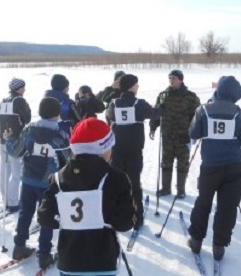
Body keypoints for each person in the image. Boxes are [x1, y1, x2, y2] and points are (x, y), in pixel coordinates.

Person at [37, 118, 136, 276]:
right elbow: (125, 223)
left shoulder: (58, 178)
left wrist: (64, 218)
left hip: (68, 261)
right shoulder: (116, 178)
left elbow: (44, 217)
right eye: (110, 146)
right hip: (103, 262)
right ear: (103, 148)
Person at [5, 98, 72, 269]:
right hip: (48, 183)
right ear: (57, 115)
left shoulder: (29, 131)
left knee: (25, 212)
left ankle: (19, 245)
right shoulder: (60, 136)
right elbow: (69, 159)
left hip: (27, 179)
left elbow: (16, 151)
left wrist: (9, 139)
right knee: (47, 218)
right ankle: (44, 253)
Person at [186, 75, 241, 261]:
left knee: (203, 201)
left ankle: (196, 240)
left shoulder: (203, 109)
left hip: (211, 166)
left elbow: (193, 133)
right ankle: (219, 245)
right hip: (234, 166)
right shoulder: (239, 112)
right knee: (227, 206)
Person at [105, 74, 158, 230]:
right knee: (134, 184)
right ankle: (136, 218)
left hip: (117, 150)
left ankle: (115, 216)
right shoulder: (139, 104)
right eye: (136, 84)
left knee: (116, 182)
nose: (138, 87)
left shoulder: (113, 103)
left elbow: (108, 116)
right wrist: (160, 108)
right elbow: (154, 113)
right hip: (134, 150)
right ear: (131, 86)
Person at [150, 69, 200, 198]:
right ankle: (166, 188)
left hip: (183, 135)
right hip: (167, 134)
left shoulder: (191, 96)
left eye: (174, 78)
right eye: (170, 78)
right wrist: (153, 127)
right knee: (166, 161)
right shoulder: (163, 95)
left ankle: (181, 190)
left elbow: (197, 116)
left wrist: (196, 132)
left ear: (181, 79)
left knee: (182, 163)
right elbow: (156, 113)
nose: (171, 80)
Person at [0, 78, 31, 213]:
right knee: (16, 173)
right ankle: (13, 202)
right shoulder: (20, 101)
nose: (24, 90)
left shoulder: (3, 101)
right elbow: (27, 118)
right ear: (18, 88)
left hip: (3, 140)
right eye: (23, 87)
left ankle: (5, 200)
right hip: (16, 141)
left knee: (4, 171)